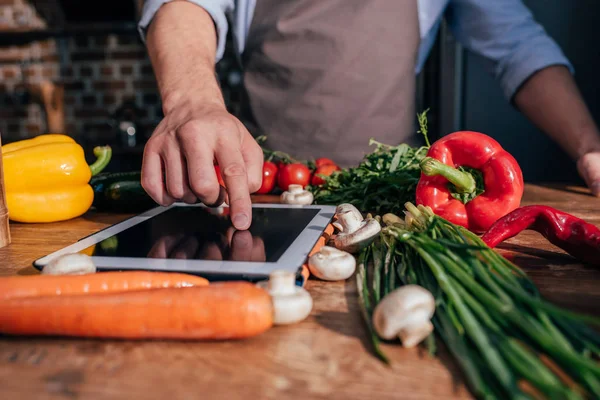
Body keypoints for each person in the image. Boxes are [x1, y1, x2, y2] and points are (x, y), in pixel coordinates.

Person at [137, 0, 600, 230]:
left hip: (398, 202)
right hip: (264, 196)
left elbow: (519, 48)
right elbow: (180, 4)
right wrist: (192, 101)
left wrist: (588, 147)